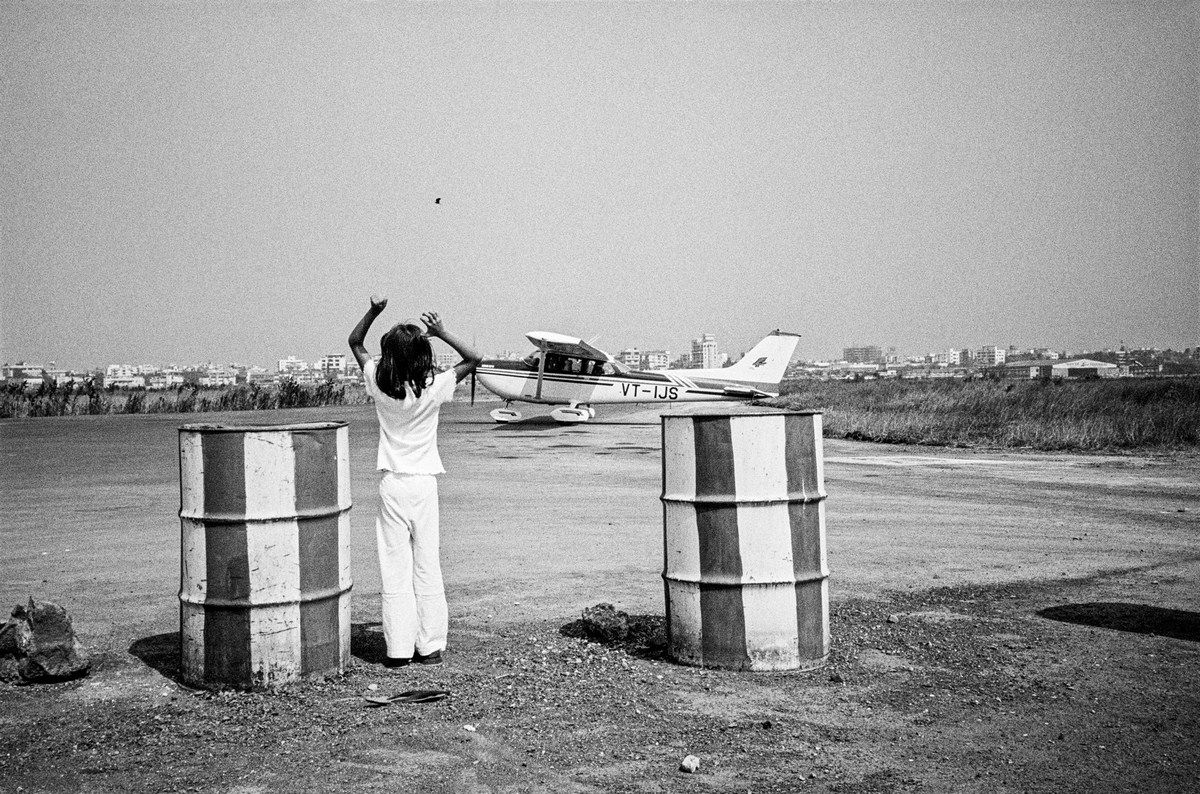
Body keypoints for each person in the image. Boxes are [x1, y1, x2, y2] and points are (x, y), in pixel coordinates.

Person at [348, 296, 482, 667]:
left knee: (395, 569)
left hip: (392, 483)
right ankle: (431, 646)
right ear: (423, 354)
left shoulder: (378, 381)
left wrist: (374, 311)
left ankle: (398, 650)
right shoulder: (435, 385)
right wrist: (442, 331)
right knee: (427, 566)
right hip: (425, 484)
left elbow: (355, 343)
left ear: (389, 355)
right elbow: (474, 359)